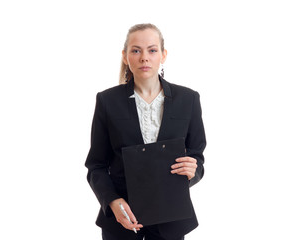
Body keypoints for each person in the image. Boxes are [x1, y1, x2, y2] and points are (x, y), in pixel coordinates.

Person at [85, 23, 206, 240]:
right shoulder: (107, 101)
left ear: (163, 55)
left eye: (152, 50)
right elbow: (96, 165)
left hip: (170, 218)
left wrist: (193, 171)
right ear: (125, 56)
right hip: (121, 219)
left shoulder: (188, 99)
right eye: (136, 50)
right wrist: (112, 202)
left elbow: (197, 157)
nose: (144, 58)